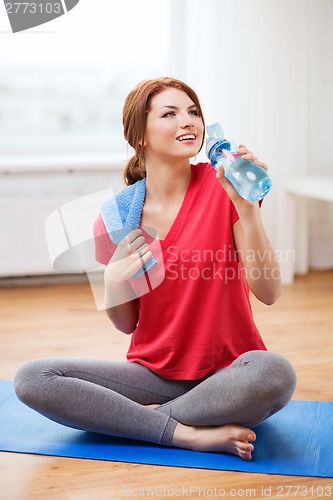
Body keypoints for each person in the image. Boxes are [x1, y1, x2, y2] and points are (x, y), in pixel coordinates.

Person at [15, 77, 296, 461]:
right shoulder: (117, 215)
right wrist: (112, 283)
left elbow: (269, 292)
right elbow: (127, 324)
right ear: (141, 135)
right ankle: (186, 434)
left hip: (229, 376)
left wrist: (247, 208)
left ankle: (140, 424)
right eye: (171, 113)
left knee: (275, 373)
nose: (189, 122)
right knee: (33, 378)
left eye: (193, 112)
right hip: (153, 376)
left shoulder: (224, 187)